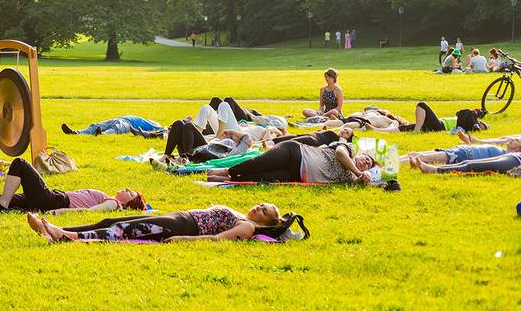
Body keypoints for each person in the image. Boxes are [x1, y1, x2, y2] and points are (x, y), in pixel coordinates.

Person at [0, 157, 147, 214]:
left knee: (20, 164)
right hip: (48, 200)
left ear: (129, 202)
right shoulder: (110, 197)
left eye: (130, 192)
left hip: (54, 201)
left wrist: (59, 212)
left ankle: (3, 203)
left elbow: (89, 211)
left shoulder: (113, 204)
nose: (126, 189)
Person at [25, 202, 286, 244]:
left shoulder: (248, 226)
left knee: (122, 231)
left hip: (183, 227)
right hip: (178, 217)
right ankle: (54, 231)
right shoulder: (243, 214)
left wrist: (184, 239)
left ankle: (67, 237)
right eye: (261, 204)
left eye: (263, 210)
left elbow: (217, 239)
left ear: (268, 222)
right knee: (111, 219)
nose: (258, 207)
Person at [205, 140, 375, 184]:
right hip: (295, 153)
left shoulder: (351, 178)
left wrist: (361, 177)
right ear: (359, 155)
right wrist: (359, 172)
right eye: (365, 159)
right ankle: (227, 171)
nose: (365, 163)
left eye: (368, 164)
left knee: (261, 178)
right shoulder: (349, 149)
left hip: (296, 175)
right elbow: (339, 153)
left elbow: (359, 183)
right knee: (258, 163)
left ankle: (227, 180)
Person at [403, 139, 521, 167]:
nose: (512, 140)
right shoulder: (501, 151)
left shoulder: (506, 157)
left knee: (422, 157)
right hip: (460, 149)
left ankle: (391, 165)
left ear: (518, 149)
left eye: (516, 141)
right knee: (415, 153)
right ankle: (389, 160)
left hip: (462, 155)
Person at [409, 151, 521, 175]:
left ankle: (433, 170)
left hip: (516, 161)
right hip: (513, 156)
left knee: (472, 166)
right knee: (468, 162)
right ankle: (433, 168)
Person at [61, 114, 165, 137]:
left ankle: (103, 135)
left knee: (116, 129)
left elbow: (163, 129)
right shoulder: (143, 119)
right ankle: (75, 133)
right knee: (95, 125)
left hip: (127, 124)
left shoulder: (152, 125)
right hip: (118, 119)